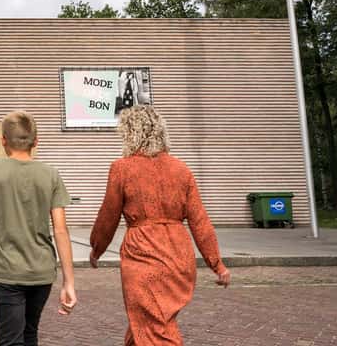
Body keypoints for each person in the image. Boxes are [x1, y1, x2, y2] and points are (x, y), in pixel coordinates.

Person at [89, 105, 231, 345]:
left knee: (155, 327)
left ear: (130, 133)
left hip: (142, 254)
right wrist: (217, 264)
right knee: (149, 321)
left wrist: (97, 249)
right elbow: (200, 221)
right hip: (178, 255)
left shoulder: (122, 168)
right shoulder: (181, 170)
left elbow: (108, 216)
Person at [0, 110, 77, 346]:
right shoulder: (51, 175)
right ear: (36, 141)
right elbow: (61, 230)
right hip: (42, 271)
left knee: (11, 340)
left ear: (3, 140)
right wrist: (68, 281)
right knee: (30, 334)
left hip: (7, 270)